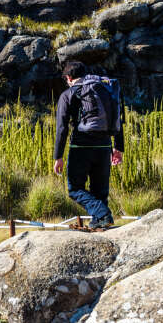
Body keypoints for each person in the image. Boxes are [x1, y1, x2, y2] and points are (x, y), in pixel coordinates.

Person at [53, 61, 124, 229]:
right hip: (104, 145)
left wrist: (58, 156)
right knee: (100, 191)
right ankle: (99, 222)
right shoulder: (105, 89)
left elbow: (62, 128)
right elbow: (117, 118)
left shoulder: (68, 94)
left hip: (81, 146)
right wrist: (118, 147)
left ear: (69, 77)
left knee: (75, 189)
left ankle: (102, 214)